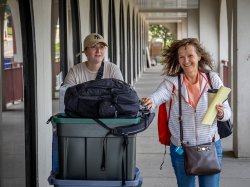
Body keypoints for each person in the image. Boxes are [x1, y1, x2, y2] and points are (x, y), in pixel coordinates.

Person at [142, 38, 231, 187]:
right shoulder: (172, 83)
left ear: (199, 56)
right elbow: (157, 97)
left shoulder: (212, 79)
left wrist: (221, 114)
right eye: (181, 57)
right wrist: (149, 101)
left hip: (210, 146)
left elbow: (227, 112)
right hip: (180, 150)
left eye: (190, 55)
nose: (186, 60)